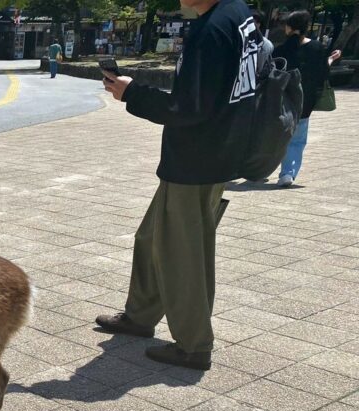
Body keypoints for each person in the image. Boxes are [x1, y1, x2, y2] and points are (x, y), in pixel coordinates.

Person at [94, 0, 262, 371]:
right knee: (152, 238)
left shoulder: (212, 30)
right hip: (216, 150)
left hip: (197, 160)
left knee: (181, 254)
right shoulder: (238, 15)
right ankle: (140, 315)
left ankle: (193, 344)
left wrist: (132, 94)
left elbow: (188, 109)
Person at [273, 11, 342, 187]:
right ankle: (287, 173)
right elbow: (322, 73)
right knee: (297, 139)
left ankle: (262, 167)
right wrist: (331, 60)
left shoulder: (280, 49)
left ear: (289, 27)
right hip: (305, 100)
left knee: (279, 136)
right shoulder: (317, 48)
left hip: (281, 100)